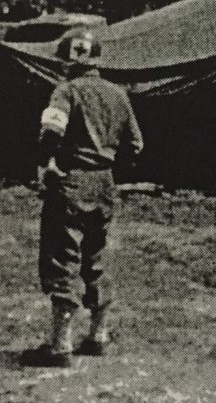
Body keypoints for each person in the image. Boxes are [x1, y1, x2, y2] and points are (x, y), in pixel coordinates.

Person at [24, 27, 143, 368]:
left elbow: (51, 131)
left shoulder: (66, 91)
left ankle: (59, 344)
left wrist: (47, 163)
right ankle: (98, 334)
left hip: (71, 181)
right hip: (104, 183)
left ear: (67, 61)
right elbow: (136, 144)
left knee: (63, 257)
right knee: (96, 257)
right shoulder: (118, 93)